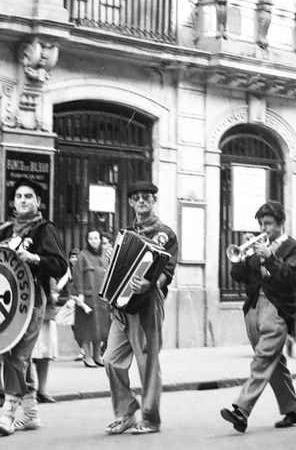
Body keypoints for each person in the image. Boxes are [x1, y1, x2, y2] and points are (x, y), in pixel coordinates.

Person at [0, 178, 68, 436]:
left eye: (29, 196)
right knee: (14, 356)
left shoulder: (45, 230)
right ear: (13, 202)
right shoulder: (7, 229)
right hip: (8, 301)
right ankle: (30, 414)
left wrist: (36, 258)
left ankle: (8, 413)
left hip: (33, 301)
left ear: (38, 202)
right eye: (19, 196)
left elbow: (60, 265)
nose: (24, 200)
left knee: (17, 355)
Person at [220, 201, 296, 434]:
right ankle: (293, 410)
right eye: (260, 224)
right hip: (253, 307)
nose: (263, 228)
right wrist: (244, 255)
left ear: (280, 224)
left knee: (262, 360)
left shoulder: (292, 247)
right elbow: (237, 275)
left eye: (268, 223)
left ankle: (241, 410)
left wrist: (269, 257)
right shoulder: (257, 247)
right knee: (273, 362)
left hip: (277, 309)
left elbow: (290, 278)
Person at [104, 181, 178, 435]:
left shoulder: (166, 234)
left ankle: (150, 418)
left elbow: (167, 272)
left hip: (148, 303)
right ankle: (126, 411)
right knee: (111, 359)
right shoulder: (125, 232)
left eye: (147, 197)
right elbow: (116, 266)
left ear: (154, 201)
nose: (142, 201)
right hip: (122, 305)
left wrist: (150, 283)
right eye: (137, 198)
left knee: (147, 363)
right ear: (130, 203)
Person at [71, 230, 109, 368]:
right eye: (91, 238)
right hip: (87, 298)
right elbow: (77, 276)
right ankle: (87, 357)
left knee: (100, 329)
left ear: (100, 240)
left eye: (96, 238)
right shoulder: (82, 256)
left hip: (100, 299)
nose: (94, 241)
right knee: (87, 330)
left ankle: (97, 356)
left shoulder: (103, 257)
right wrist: (80, 294)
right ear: (87, 240)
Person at [30, 276, 61, 403]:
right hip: (31, 314)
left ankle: (42, 390)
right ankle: (29, 391)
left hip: (47, 314)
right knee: (28, 355)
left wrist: (53, 294)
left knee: (45, 355)